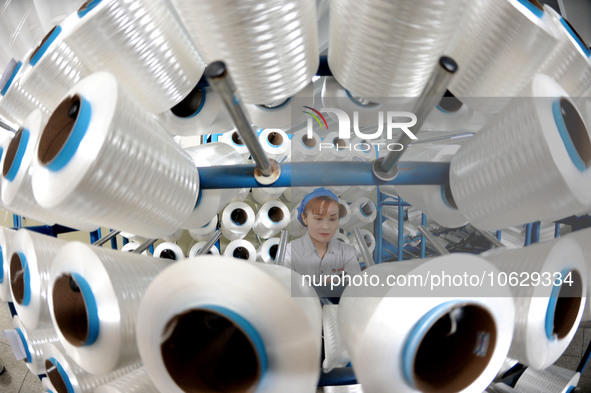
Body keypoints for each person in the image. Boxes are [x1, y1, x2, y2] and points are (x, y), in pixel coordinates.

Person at [283, 188, 361, 293]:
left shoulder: (346, 253)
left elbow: (356, 290)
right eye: (318, 219)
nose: (326, 227)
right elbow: (285, 290)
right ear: (305, 218)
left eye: (332, 219)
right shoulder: (290, 252)